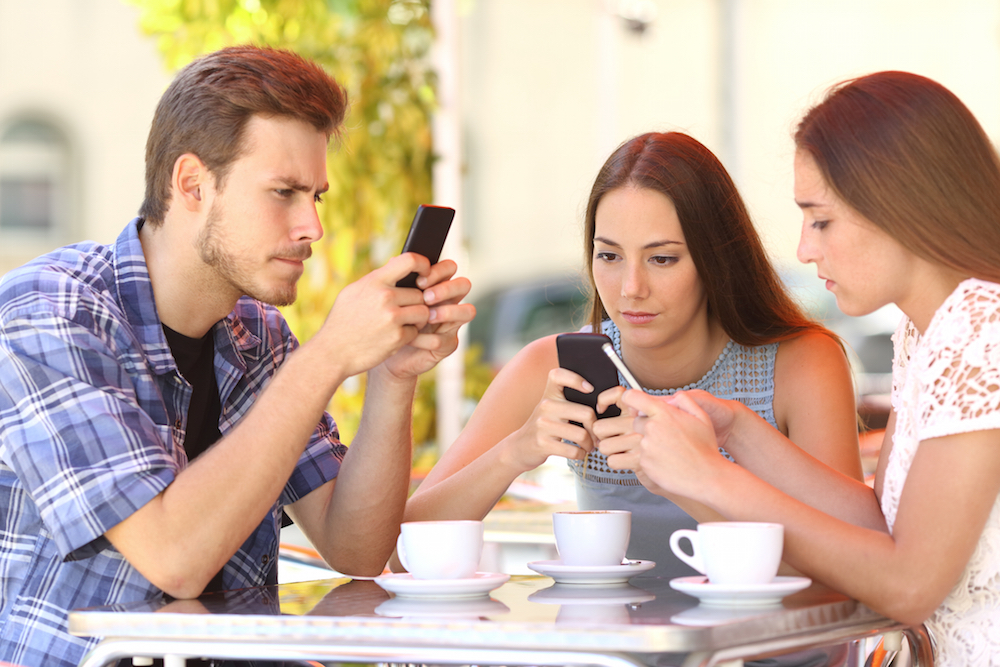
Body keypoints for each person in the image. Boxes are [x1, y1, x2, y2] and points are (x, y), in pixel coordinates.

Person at [0, 45, 474, 667]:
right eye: (284, 192)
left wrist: (392, 375)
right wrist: (328, 355)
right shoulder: (51, 312)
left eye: (317, 197)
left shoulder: (260, 335)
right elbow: (174, 558)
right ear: (192, 183)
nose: (312, 227)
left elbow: (355, 549)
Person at [618, 71, 1000, 666]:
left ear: (902, 204)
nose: (804, 248)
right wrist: (740, 433)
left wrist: (710, 478)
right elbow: (880, 526)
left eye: (820, 219)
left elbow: (909, 585)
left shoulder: (984, 329)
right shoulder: (928, 332)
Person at [403, 131, 862, 578]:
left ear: (716, 259)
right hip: (618, 652)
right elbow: (403, 553)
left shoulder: (799, 364)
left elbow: (852, 567)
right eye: (609, 256)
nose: (630, 289)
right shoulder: (551, 368)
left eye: (662, 259)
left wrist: (687, 476)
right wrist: (515, 453)